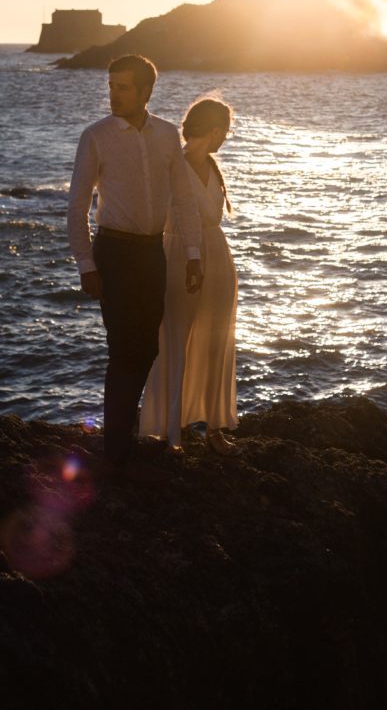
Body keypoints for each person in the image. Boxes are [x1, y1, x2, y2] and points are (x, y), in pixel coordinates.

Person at [67, 54, 203, 473]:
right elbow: (76, 205)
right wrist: (86, 264)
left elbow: (182, 198)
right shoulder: (96, 136)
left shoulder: (166, 135)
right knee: (123, 349)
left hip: (151, 253)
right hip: (115, 253)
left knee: (145, 348)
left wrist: (194, 254)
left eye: (122, 87)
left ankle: (121, 438)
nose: (113, 94)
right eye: (111, 86)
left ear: (146, 91)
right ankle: (116, 452)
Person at [140, 97, 238, 456]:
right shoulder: (172, 165)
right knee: (174, 342)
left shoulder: (213, 167)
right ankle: (173, 430)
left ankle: (214, 430)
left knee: (217, 342)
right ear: (214, 131)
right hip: (178, 255)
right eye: (224, 131)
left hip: (219, 258)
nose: (225, 138)